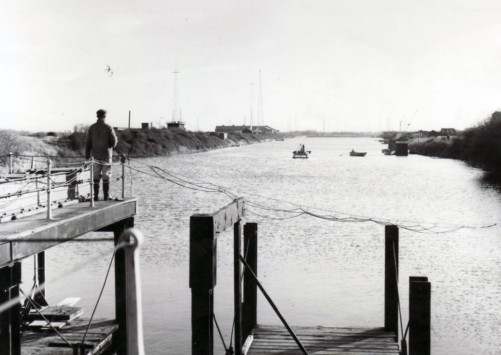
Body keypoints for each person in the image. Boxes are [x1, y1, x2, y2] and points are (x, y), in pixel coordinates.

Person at [85, 109, 118, 201]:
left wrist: (87, 156)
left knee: (95, 175)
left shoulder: (92, 127)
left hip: (94, 155)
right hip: (106, 155)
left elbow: (88, 143)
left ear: (97, 116)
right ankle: (106, 196)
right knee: (106, 175)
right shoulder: (108, 127)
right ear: (105, 116)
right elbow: (114, 141)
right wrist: (109, 146)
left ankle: (95, 196)